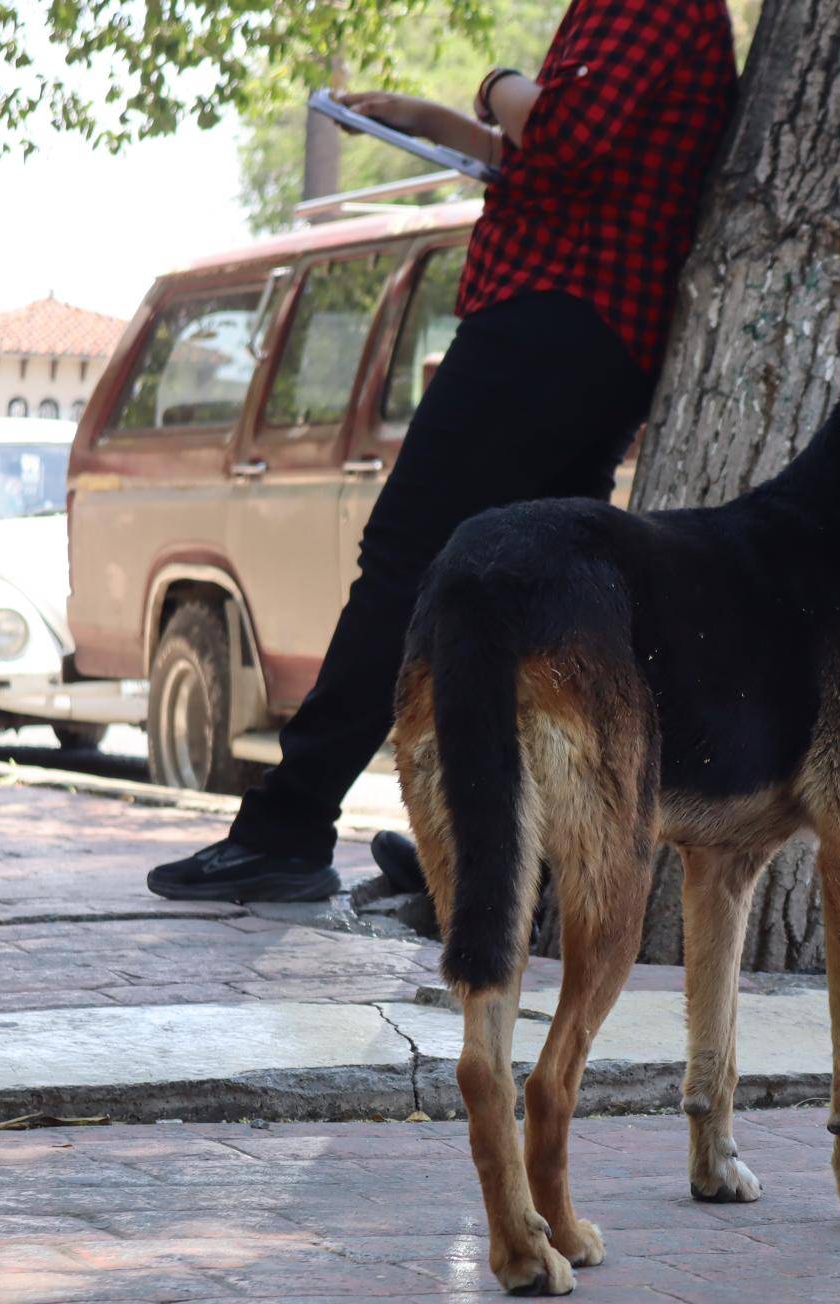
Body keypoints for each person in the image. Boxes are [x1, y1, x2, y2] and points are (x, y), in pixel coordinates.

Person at [149, 0, 738, 902]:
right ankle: (496, 856)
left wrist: (496, 83)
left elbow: (569, 137)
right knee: (522, 601)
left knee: (411, 563)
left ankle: (288, 828)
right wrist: (433, 122)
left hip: (555, 321)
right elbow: (560, 161)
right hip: (586, 328)